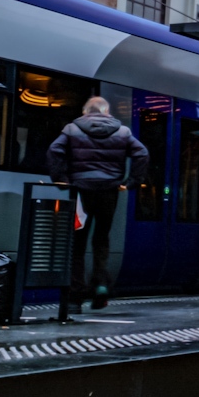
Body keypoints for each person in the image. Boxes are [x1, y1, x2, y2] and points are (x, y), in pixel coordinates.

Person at [47, 96, 149, 310]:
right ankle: (101, 285)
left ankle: (75, 297)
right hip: (109, 192)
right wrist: (130, 183)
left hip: (81, 192)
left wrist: (62, 180)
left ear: (86, 111)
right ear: (106, 112)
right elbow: (142, 153)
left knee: (77, 244)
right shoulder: (123, 132)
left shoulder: (72, 129)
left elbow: (54, 151)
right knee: (101, 240)